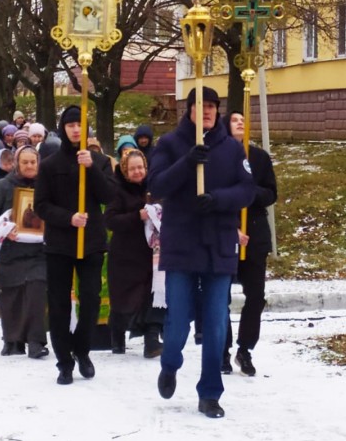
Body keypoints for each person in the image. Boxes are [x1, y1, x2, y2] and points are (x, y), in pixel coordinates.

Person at [148, 86, 255, 419]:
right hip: (182, 243)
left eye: (212, 106)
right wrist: (186, 163)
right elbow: (157, 184)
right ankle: (170, 363)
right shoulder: (169, 144)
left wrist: (220, 200)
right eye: (200, 105)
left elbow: (248, 189)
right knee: (178, 319)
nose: (207, 111)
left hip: (218, 244)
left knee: (215, 323)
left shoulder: (231, 148)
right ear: (189, 109)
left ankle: (209, 393)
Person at [34, 105, 115, 385]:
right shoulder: (49, 165)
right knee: (58, 306)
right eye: (70, 125)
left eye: (79, 125)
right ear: (63, 129)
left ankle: (82, 349)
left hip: (91, 242)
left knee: (91, 301)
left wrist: (91, 168)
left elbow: (109, 194)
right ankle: (64, 361)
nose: (75, 130)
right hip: (59, 243)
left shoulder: (99, 161)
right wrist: (68, 218)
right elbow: (41, 205)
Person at [221, 111, 278, 377]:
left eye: (243, 119)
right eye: (234, 120)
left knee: (255, 296)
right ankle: (222, 348)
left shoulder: (259, 158)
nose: (240, 123)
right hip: (224, 233)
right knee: (220, 297)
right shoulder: (218, 156)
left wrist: (250, 191)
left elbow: (270, 193)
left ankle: (245, 348)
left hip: (255, 233)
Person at [0, 145, 48, 359]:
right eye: (25, 162)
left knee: (36, 294)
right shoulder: (2, 186)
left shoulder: (47, 187)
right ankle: (12, 340)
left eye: (33, 162)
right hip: (9, 253)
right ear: (17, 164)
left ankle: (36, 342)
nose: (29, 166)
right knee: (11, 298)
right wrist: (4, 229)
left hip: (39, 253)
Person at [104, 148, 163, 358]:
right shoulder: (117, 190)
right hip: (124, 255)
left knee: (150, 296)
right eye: (133, 169)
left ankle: (151, 340)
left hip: (150, 254)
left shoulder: (154, 187)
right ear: (124, 170)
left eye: (141, 167)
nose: (137, 172)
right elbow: (110, 221)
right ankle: (117, 337)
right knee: (123, 301)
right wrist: (137, 215)